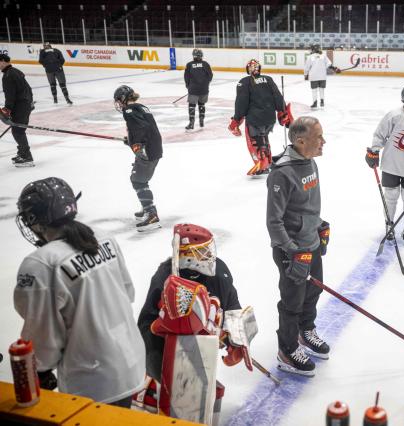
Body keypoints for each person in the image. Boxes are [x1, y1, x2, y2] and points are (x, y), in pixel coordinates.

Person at [13, 177, 145, 407]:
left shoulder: (41, 264)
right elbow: (128, 293)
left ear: (35, 221)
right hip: (129, 361)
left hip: (91, 380)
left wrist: (40, 368)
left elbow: (44, 337)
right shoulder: (103, 237)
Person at [135, 223, 252, 411]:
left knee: (205, 396)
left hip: (203, 347)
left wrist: (237, 339)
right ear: (187, 257)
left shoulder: (219, 272)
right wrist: (162, 371)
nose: (210, 256)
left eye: (209, 250)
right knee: (184, 400)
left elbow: (232, 306)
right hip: (172, 351)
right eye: (202, 252)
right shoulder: (164, 279)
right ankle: (152, 391)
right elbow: (145, 326)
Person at [266, 116, 329, 377]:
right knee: (292, 301)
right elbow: (274, 221)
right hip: (292, 251)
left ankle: (306, 331)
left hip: (311, 242)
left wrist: (319, 224)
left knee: (313, 292)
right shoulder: (283, 173)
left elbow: (306, 206)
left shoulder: (310, 161)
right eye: (319, 138)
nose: (323, 142)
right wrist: (292, 252)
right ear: (301, 141)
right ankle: (287, 349)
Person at [366, 84, 404, 241]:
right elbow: (379, 134)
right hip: (391, 164)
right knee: (391, 195)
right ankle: (389, 223)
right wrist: (374, 150)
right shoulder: (394, 116)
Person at [228, 59, 293, 176]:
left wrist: (236, 119)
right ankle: (267, 161)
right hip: (269, 119)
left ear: (248, 69)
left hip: (254, 119)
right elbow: (278, 97)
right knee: (263, 137)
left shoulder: (244, 82)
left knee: (256, 141)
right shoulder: (268, 79)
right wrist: (283, 112)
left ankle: (262, 162)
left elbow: (241, 103)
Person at [114, 85, 163, 231]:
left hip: (147, 150)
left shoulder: (128, 110)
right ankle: (146, 207)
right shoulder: (140, 107)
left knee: (138, 180)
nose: (118, 103)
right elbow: (144, 127)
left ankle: (151, 214)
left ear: (123, 99)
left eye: (118, 100)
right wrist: (131, 140)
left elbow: (141, 127)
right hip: (153, 147)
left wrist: (137, 144)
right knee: (138, 179)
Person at [0, 53, 34, 167]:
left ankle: (27, 157)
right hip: (25, 104)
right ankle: (22, 153)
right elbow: (28, 88)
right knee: (18, 130)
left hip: (20, 106)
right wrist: (31, 102)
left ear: (4, 61)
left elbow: (10, 95)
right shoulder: (16, 71)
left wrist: (7, 109)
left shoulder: (8, 75)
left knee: (18, 131)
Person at [303, 44, 341, 109]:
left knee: (314, 90)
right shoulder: (323, 56)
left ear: (313, 50)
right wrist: (335, 68)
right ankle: (322, 101)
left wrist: (306, 75)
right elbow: (329, 65)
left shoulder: (310, 57)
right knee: (321, 89)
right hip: (322, 76)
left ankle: (315, 103)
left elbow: (306, 67)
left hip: (314, 76)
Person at [183, 48, 213, 131]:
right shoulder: (205, 64)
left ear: (193, 56)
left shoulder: (189, 64)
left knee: (192, 105)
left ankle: (191, 123)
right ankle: (201, 121)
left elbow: (186, 77)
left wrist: (188, 86)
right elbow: (210, 75)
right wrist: (205, 84)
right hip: (204, 89)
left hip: (193, 89)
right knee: (201, 104)